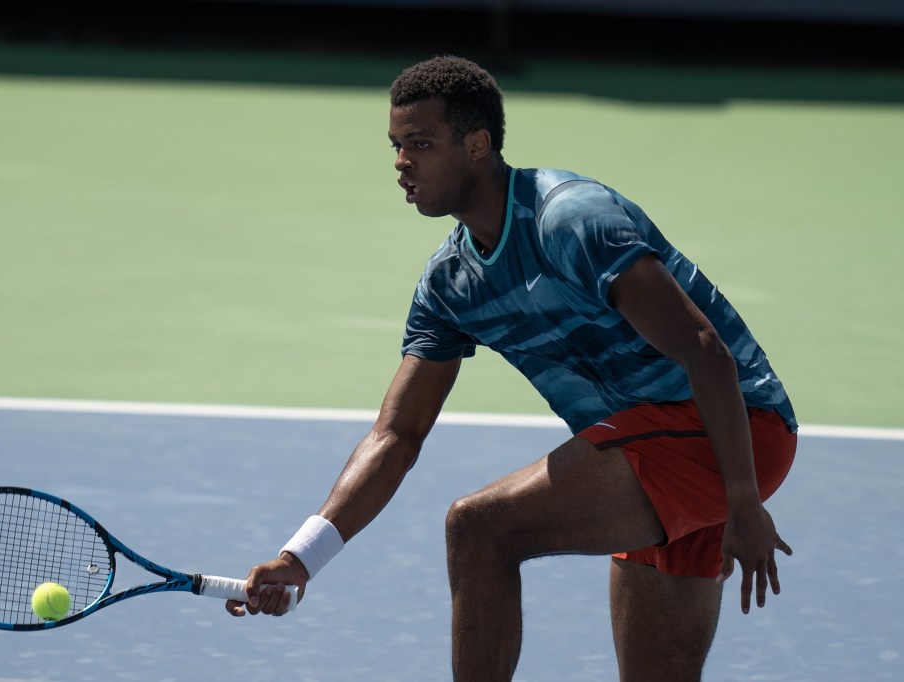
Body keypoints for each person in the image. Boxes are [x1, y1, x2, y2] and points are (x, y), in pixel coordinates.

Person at [224, 55, 798, 682]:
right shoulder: (450, 285)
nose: (400, 162)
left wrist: (741, 500)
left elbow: (703, 350)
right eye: (395, 145)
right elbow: (396, 435)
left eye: (421, 143)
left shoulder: (570, 220)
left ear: (478, 145)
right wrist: (301, 558)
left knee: (479, 529)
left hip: (736, 430)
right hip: (649, 450)